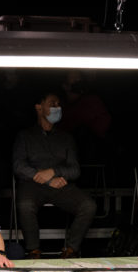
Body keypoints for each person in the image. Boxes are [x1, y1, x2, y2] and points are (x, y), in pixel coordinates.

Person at [12, 91, 96, 259]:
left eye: (58, 104)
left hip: (60, 185)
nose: (57, 107)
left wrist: (54, 172)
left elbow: (75, 170)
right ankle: (33, 251)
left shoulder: (66, 138)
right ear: (39, 107)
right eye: (52, 104)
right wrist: (46, 179)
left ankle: (71, 250)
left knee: (88, 206)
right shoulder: (25, 136)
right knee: (25, 205)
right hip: (32, 185)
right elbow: (18, 166)